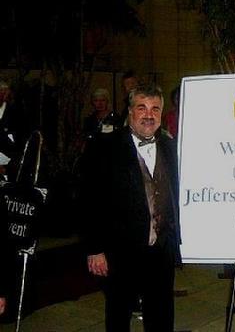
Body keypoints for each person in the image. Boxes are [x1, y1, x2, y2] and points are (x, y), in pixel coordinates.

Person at [83, 84, 181, 332]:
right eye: (142, 108)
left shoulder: (171, 148)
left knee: (161, 316)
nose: (149, 115)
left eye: (155, 109)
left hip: (161, 250)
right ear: (130, 111)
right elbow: (90, 200)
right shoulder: (104, 147)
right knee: (118, 315)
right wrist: (95, 249)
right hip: (120, 252)